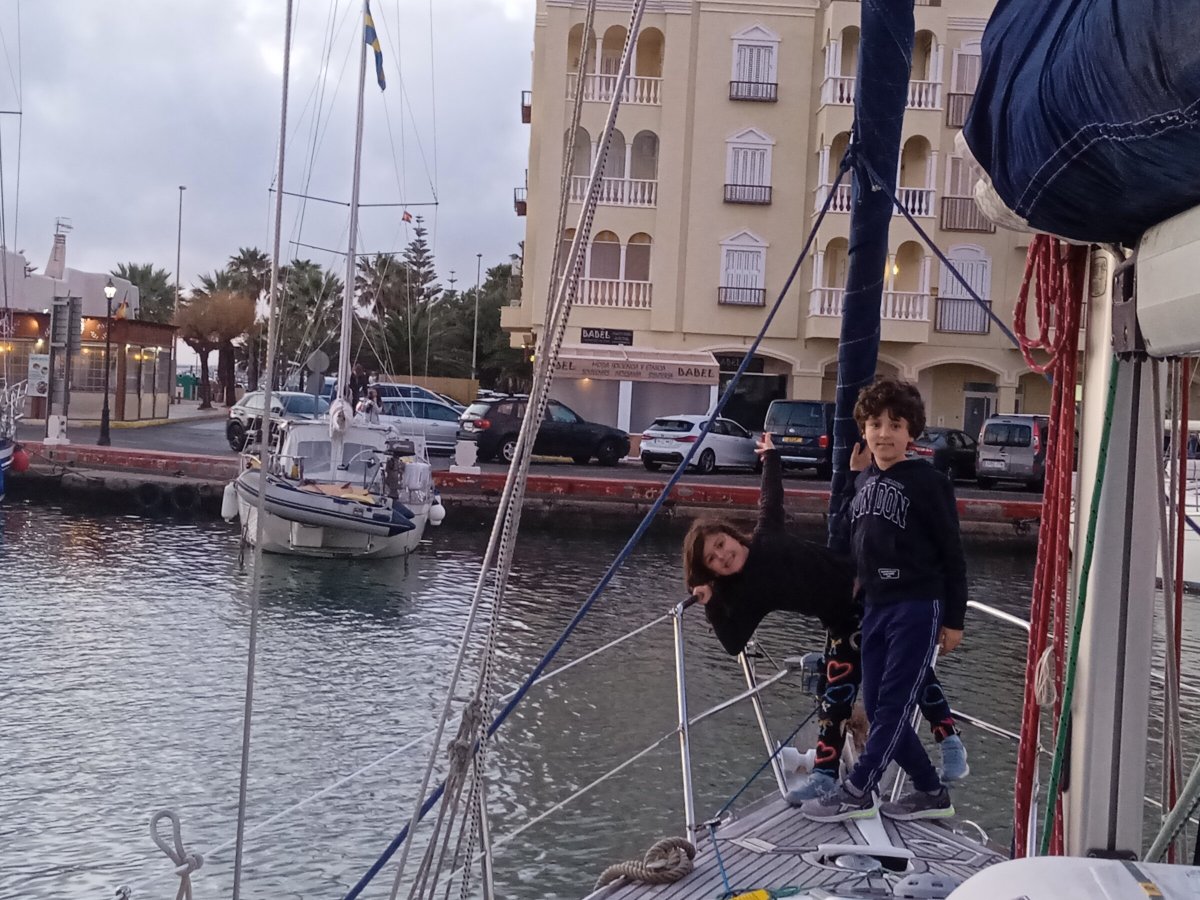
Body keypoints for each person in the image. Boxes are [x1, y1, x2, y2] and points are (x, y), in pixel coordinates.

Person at [684, 430, 967, 804]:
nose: (722, 555)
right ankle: (824, 774)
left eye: (721, 544)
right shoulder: (743, 595)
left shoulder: (766, 535)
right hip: (840, 622)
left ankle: (948, 739)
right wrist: (710, 602)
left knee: (913, 673)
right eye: (712, 560)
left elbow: (771, 495)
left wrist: (771, 456)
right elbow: (733, 642)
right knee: (836, 697)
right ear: (712, 572)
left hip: (870, 595)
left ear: (732, 536)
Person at [801, 377, 968, 823]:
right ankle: (931, 791)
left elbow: (953, 552)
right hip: (876, 607)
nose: (885, 433)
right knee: (875, 706)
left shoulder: (929, 482)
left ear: (911, 432)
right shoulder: (867, 478)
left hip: (917, 604)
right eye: (876, 424)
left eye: (896, 425)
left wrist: (954, 619)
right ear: (865, 429)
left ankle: (858, 789)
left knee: (893, 705)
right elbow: (860, 536)